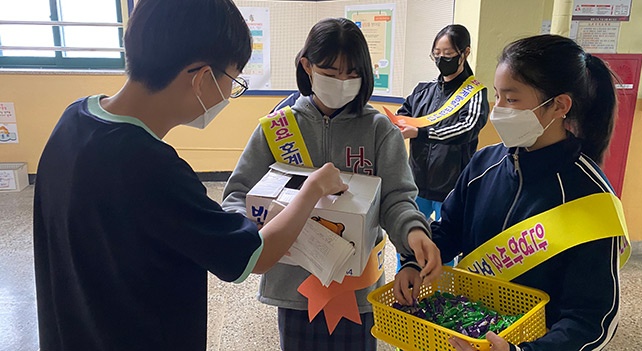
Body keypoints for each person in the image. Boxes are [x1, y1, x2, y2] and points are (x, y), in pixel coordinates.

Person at [32, 1, 348, 350]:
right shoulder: (152, 168)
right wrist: (313, 186)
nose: (230, 93)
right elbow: (253, 256)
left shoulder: (74, 118)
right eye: (232, 79)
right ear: (201, 78)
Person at [395, 34, 624, 351]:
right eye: (498, 96)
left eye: (511, 100)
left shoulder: (589, 195)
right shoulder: (484, 164)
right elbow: (448, 230)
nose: (497, 110)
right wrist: (413, 262)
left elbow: (591, 319)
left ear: (559, 105)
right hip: (467, 334)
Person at [222, 17, 440, 351]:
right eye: (331, 72)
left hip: (357, 288)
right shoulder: (277, 128)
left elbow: (397, 199)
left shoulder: (379, 130)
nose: (342, 81)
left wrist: (414, 235)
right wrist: (250, 234)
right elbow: (237, 196)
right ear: (306, 66)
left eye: (352, 74)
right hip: (295, 287)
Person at [396, 24, 488, 223]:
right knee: (408, 237)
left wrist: (421, 133)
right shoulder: (423, 90)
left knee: (445, 245)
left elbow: (467, 128)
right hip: (417, 181)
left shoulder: (475, 94)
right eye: (436, 54)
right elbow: (403, 115)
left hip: (451, 186)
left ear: (465, 53)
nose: (441, 59)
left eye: (448, 53)